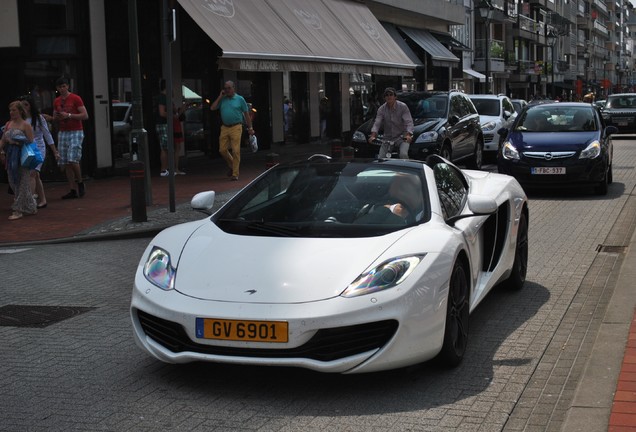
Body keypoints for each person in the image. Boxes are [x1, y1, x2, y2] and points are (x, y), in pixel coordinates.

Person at [19, 94, 59, 208]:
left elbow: (47, 135)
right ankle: (43, 199)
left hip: (39, 148)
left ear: (31, 106)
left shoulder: (39, 118)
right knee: (35, 175)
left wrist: (54, 151)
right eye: (22, 106)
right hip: (26, 148)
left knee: (33, 173)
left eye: (26, 105)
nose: (24, 108)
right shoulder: (21, 119)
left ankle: (29, 201)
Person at [210, 81, 254, 181]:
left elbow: (246, 114)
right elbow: (212, 107)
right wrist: (220, 96)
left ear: (234, 88)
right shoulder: (223, 99)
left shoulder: (240, 99)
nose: (227, 90)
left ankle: (235, 173)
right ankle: (233, 165)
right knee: (222, 150)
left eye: (229, 88)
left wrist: (250, 128)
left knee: (235, 150)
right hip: (225, 127)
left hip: (236, 126)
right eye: (225, 88)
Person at [53, 76, 89, 199]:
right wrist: (56, 117)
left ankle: (80, 182)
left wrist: (68, 115)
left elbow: (85, 115)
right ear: (57, 88)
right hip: (63, 131)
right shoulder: (56, 101)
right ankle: (72, 188)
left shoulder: (75, 98)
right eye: (60, 87)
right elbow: (55, 117)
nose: (62, 89)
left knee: (73, 158)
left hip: (76, 130)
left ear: (68, 86)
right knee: (66, 162)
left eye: (64, 86)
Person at [0, 101, 37, 220]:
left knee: (22, 182)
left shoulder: (26, 125)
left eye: (14, 110)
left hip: (22, 156)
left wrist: (16, 142)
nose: (11, 113)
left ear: (20, 111)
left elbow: (31, 141)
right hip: (10, 156)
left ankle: (18, 209)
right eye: (10, 110)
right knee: (13, 181)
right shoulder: (8, 124)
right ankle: (30, 206)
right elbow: (3, 140)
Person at [368, 87, 414, 159]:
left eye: (391, 94)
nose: (389, 96)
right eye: (387, 95)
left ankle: (405, 169)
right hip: (387, 138)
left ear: (395, 96)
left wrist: (408, 135)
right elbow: (377, 122)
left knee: (403, 155)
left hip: (402, 137)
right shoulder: (381, 109)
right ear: (384, 98)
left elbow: (408, 122)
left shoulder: (403, 107)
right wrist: (373, 135)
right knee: (381, 158)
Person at [156, 79, 185, 177]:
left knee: (167, 147)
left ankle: (166, 168)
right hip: (163, 124)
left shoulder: (165, 98)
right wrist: (172, 115)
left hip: (166, 124)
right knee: (165, 148)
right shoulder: (162, 98)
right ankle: (163, 169)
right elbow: (161, 112)